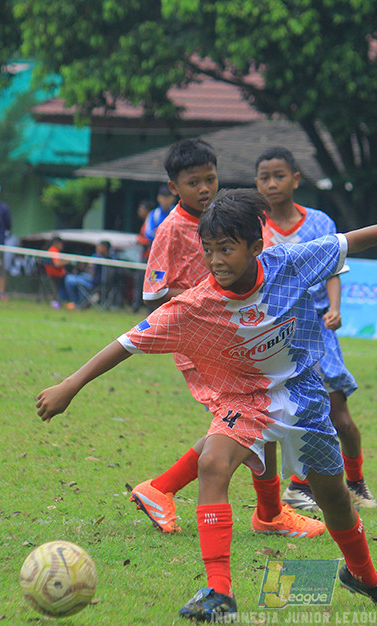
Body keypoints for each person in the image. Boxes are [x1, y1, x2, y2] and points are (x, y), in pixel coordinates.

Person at [36, 188, 377, 620]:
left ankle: (363, 574)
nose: (216, 260)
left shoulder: (290, 264)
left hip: (303, 399)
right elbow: (128, 342)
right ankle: (218, 592)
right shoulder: (194, 306)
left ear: (257, 247)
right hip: (245, 401)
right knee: (214, 462)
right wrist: (70, 385)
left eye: (226, 249)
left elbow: (354, 239)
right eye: (209, 250)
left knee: (333, 500)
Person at [132, 139, 323, 540]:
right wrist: (205, 308)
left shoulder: (226, 219)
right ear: (174, 187)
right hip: (206, 344)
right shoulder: (169, 230)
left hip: (240, 336)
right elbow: (153, 295)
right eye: (193, 182)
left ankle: (167, 490)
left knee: (251, 420)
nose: (204, 189)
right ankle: (262, 512)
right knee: (251, 418)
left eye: (210, 180)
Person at [254, 146, 376, 512]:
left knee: (338, 414)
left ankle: (355, 478)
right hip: (276, 331)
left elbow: (333, 269)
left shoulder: (320, 222)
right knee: (287, 411)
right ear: (256, 183)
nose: (272, 184)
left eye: (279, 176)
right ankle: (298, 486)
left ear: (296, 179)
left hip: (318, 328)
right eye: (264, 177)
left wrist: (334, 309)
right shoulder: (255, 224)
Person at [60, 240, 110, 310]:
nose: (97, 248)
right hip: (87, 277)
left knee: (70, 279)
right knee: (70, 278)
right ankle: (78, 303)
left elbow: (93, 272)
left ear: (105, 248)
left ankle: (77, 303)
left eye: (100, 247)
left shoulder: (109, 259)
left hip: (95, 281)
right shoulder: (95, 255)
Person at [43, 236, 68, 309]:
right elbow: (56, 264)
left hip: (57, 274)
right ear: (56, 244)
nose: (62, 246)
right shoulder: (53, 251)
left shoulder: (53, 251)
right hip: (55, 274)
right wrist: (67, 261)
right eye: (61, 244)